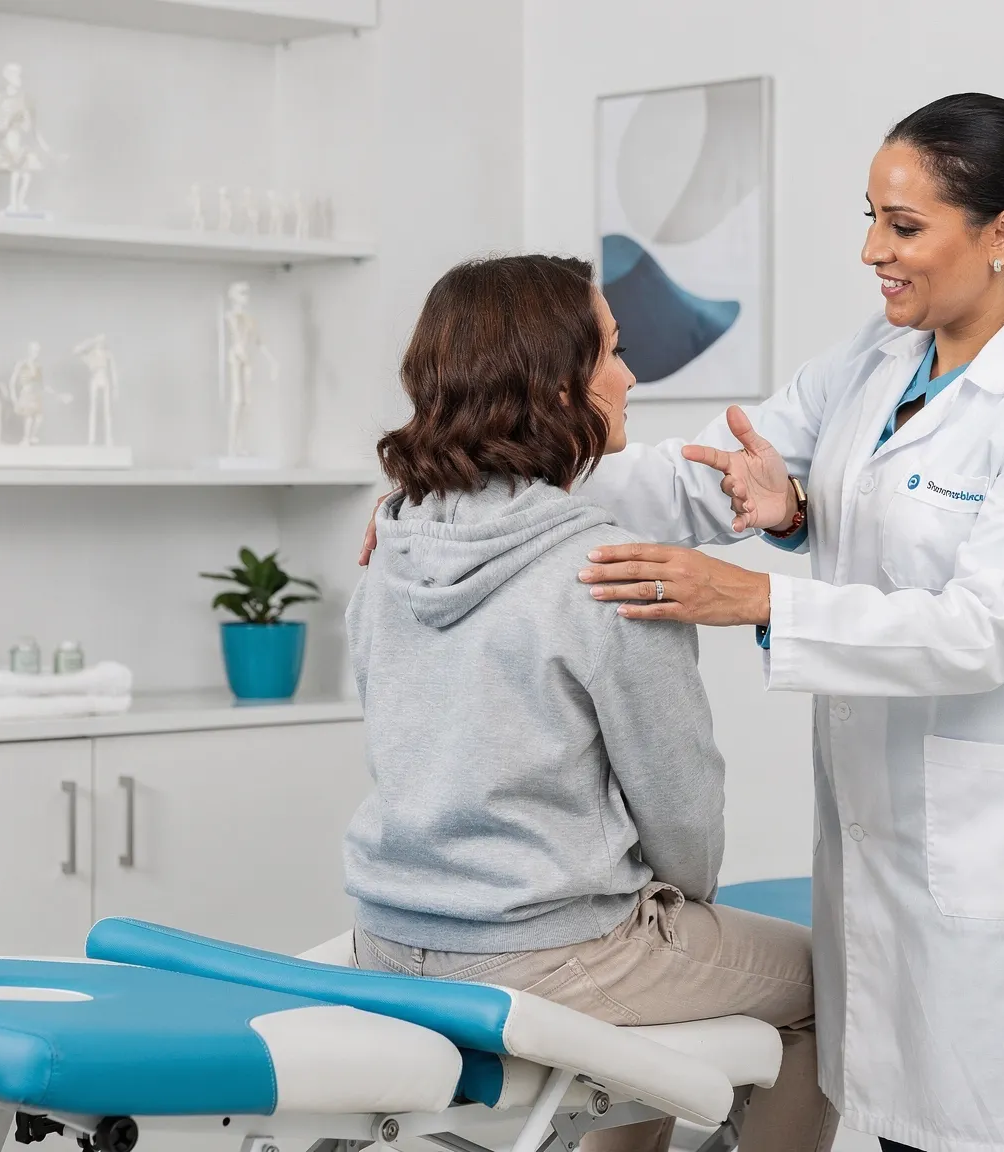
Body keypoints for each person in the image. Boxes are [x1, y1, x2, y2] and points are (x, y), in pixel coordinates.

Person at [570, 94, 1004, 1152]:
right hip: (879, 830)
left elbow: (980, 630)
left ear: (1002, 234)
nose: (873, 250)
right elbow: (705, 473)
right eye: (869, 218)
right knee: (889, 1119)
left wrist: (753, 594)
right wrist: (478, 486)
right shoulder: (876, 362)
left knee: (990, 1123)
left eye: (904, 226)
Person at [344, 255, 836, 1152]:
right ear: (557, 384)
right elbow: (682, 809)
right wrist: (679, 910)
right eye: (610, 351)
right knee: (830, 989)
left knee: (649, 1003)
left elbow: (394, 718)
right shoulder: (610, 568)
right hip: (544, 951)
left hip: (386, 938)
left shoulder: (393, 542)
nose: (630, 376)